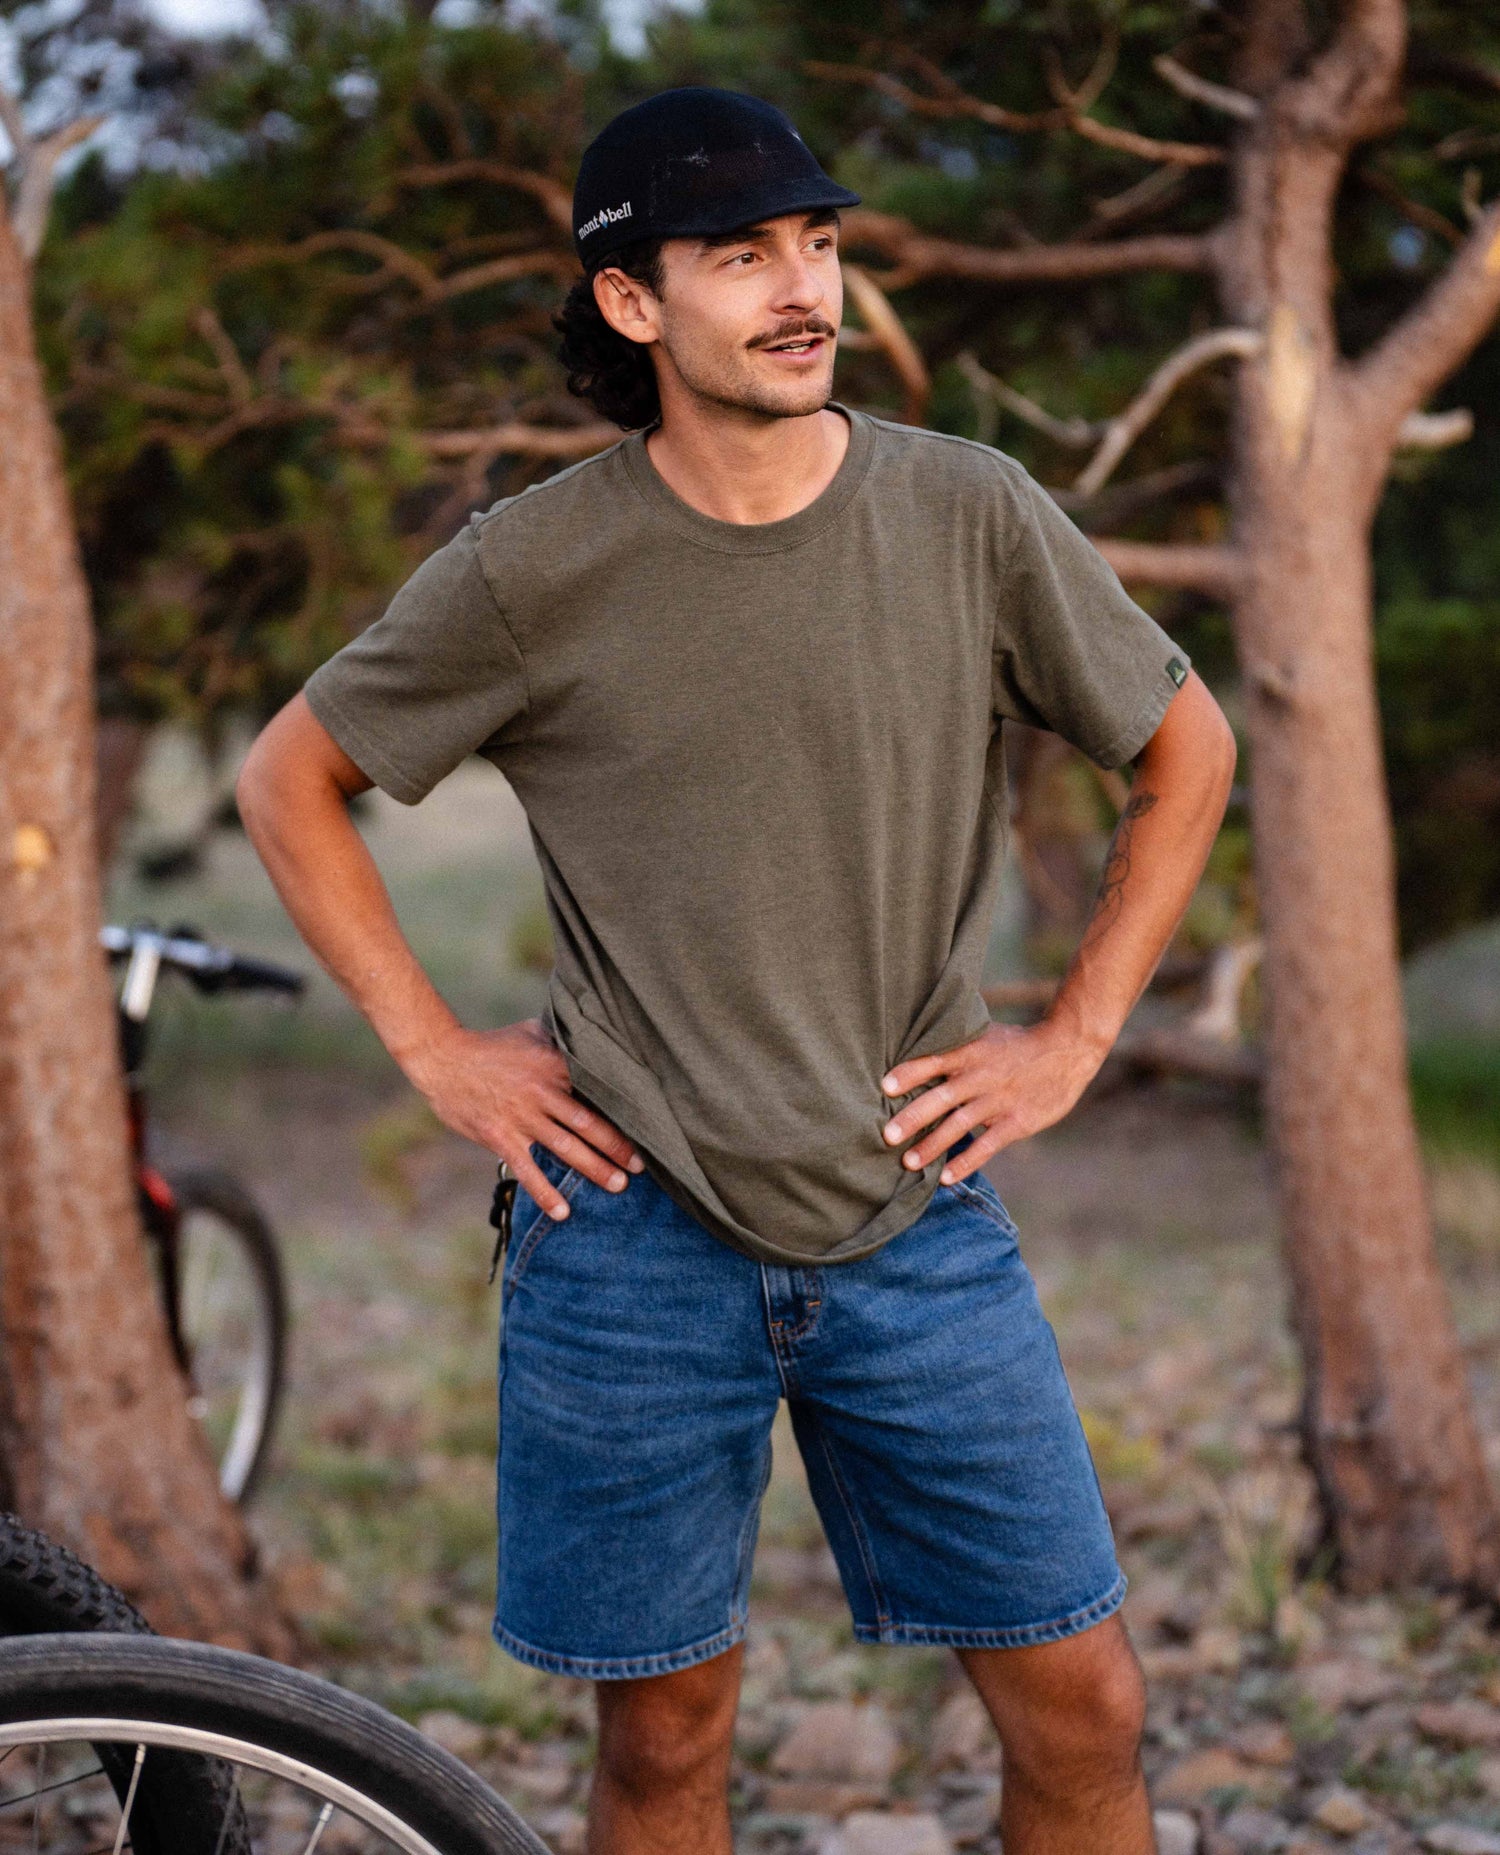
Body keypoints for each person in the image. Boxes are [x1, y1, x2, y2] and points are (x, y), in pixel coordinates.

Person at [238, 85, 1236, 1855]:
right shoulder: (535, 567)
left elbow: (1188, 751)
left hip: (920, 1214)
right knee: (667, 1744)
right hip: (631, 1233)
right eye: (743, 256)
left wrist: (1074, 1040)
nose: (805, 291)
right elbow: (290, 779)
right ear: (635, 304)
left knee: (1086, 1704)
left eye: (823, 247)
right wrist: (440, 1053)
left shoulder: (970, 516)